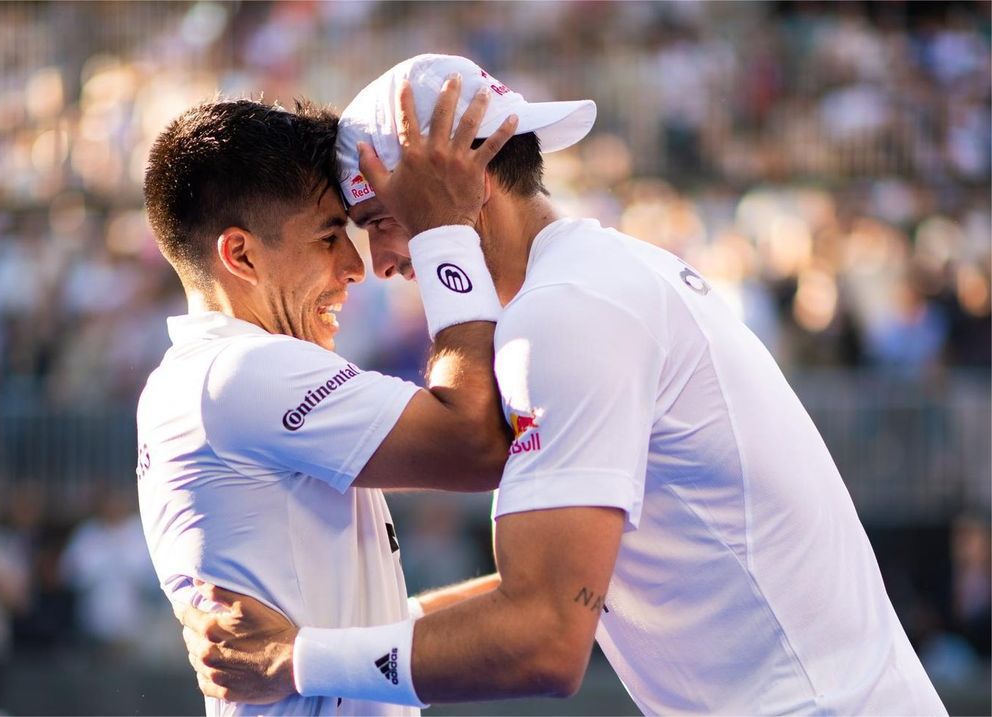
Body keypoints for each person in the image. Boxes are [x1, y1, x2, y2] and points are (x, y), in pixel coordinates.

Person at [176, 55, 948, 715]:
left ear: (462, 186)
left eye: (381, 218)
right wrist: (370, 625)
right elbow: (567, 575)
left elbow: (545, 636)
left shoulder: (564, 316)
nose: (375, 263)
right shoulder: (596, 279)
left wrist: (297, 659)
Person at [137, 91, 520, 716]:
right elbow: (475, 442)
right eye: (329, 236)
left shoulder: (198, 380)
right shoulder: (242, 370)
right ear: (240, 255)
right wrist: (445, 234)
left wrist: (557, 586)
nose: (354, 267)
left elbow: (352, 627)